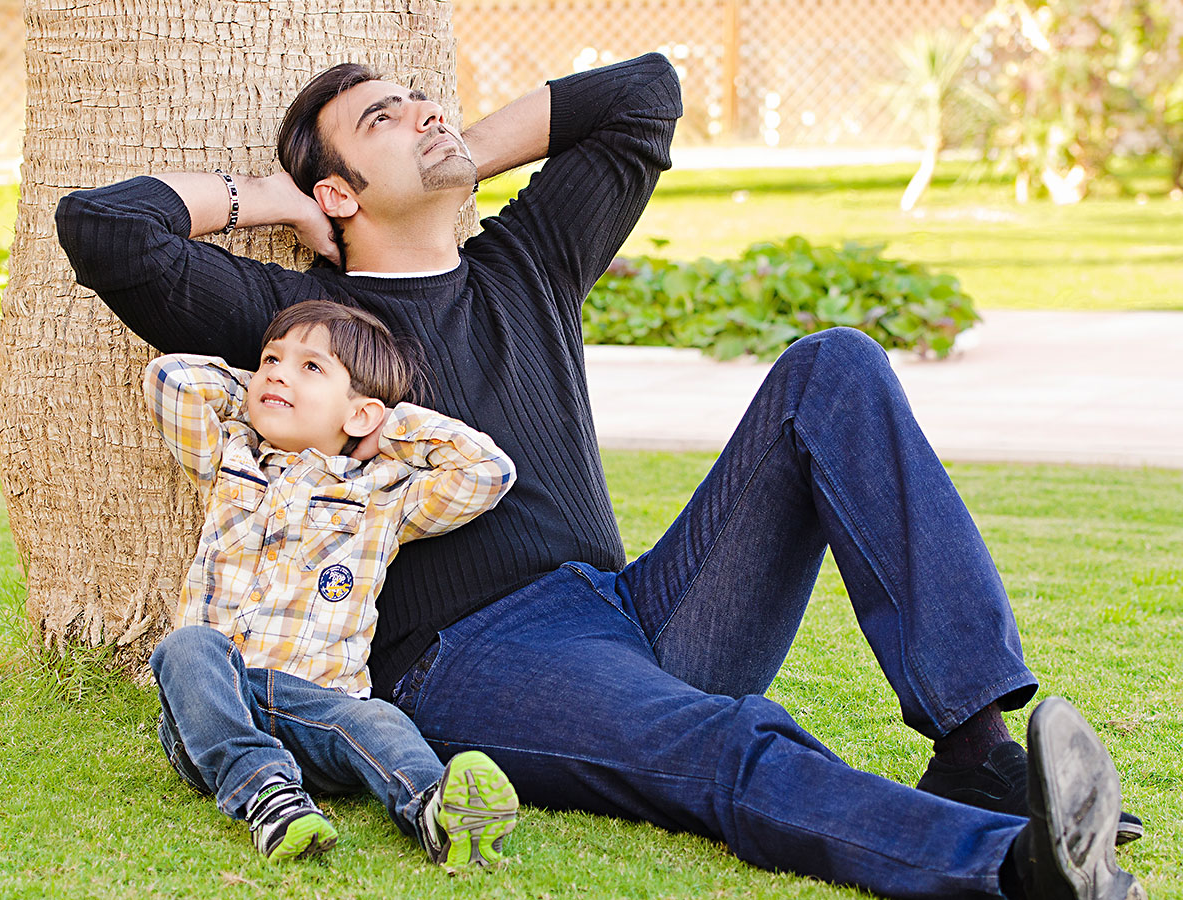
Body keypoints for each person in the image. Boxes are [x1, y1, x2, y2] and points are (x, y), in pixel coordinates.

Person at [57, 53, 1145, 899]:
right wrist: (277, 202)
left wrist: (450, 149)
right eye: (382, 119)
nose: (428, 114)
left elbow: (641, 97)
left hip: (631, 611)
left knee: (834, 368)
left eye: (425, 98)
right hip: (473, 660)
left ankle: (975, 746)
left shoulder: (528, 261)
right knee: (727, 746)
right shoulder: (309, 333)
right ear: (340, 192)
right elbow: (105, 227)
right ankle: (1011, 867)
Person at [142, 299, 519, 867]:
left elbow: (488, 471)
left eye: (310, 367)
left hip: (320, 709)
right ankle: (269, 797)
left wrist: (383, 425)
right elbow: (171, 378)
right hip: (213, 713)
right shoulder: (230, 459)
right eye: (271, 359)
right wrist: (267, 391)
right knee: (186, 647)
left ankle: (433, 809)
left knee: (378, 719)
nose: (277, 372)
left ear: (362, 414)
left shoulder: (385, 496)